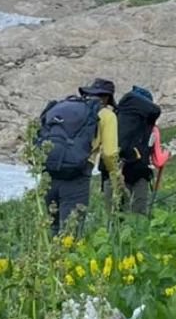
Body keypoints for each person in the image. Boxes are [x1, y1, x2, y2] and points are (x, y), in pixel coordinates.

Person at [38, 78, 116, 237]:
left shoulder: (65, 107)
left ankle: (48, 261)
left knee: (52, 228)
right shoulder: (107, 115)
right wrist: (115, 175)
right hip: (77, 174)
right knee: (70, 233)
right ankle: (67, 261)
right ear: (107, 97)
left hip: (50, 171)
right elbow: (109, 153)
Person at [116, 85, 161, 216]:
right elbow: (158, 158)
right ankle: (138, 231)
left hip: (121, 168)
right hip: (140, 171)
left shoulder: (120, 118)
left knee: (120, 212)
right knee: (139, 211)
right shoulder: (150, 127)